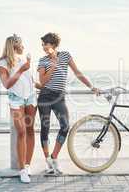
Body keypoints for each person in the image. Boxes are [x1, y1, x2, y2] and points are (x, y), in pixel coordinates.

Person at [37, 32, 100, 176]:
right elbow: (43, 82)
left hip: (59, 97)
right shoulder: (42, 60)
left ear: (53, 44)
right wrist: (53, 65)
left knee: (65, 126)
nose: (43, 47)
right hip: (45, 97)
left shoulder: (65, 55)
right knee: (45, 127)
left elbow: (77, 73)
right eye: (42, 45)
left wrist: (91, 87)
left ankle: (54, 157)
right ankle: (47, 161)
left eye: (45, 44)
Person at [0, 34, 39, 183]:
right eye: (21, 44)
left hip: (31, 97)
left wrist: (46, 86)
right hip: (16, 99)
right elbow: (7, 84)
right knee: (21, 132)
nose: (23, 47)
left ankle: (27, 165)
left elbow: (30, 81)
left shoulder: (23, 60)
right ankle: (22, 170)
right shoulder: (3, 62)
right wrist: (21, 69)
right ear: (15, 45)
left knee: (30, 130)